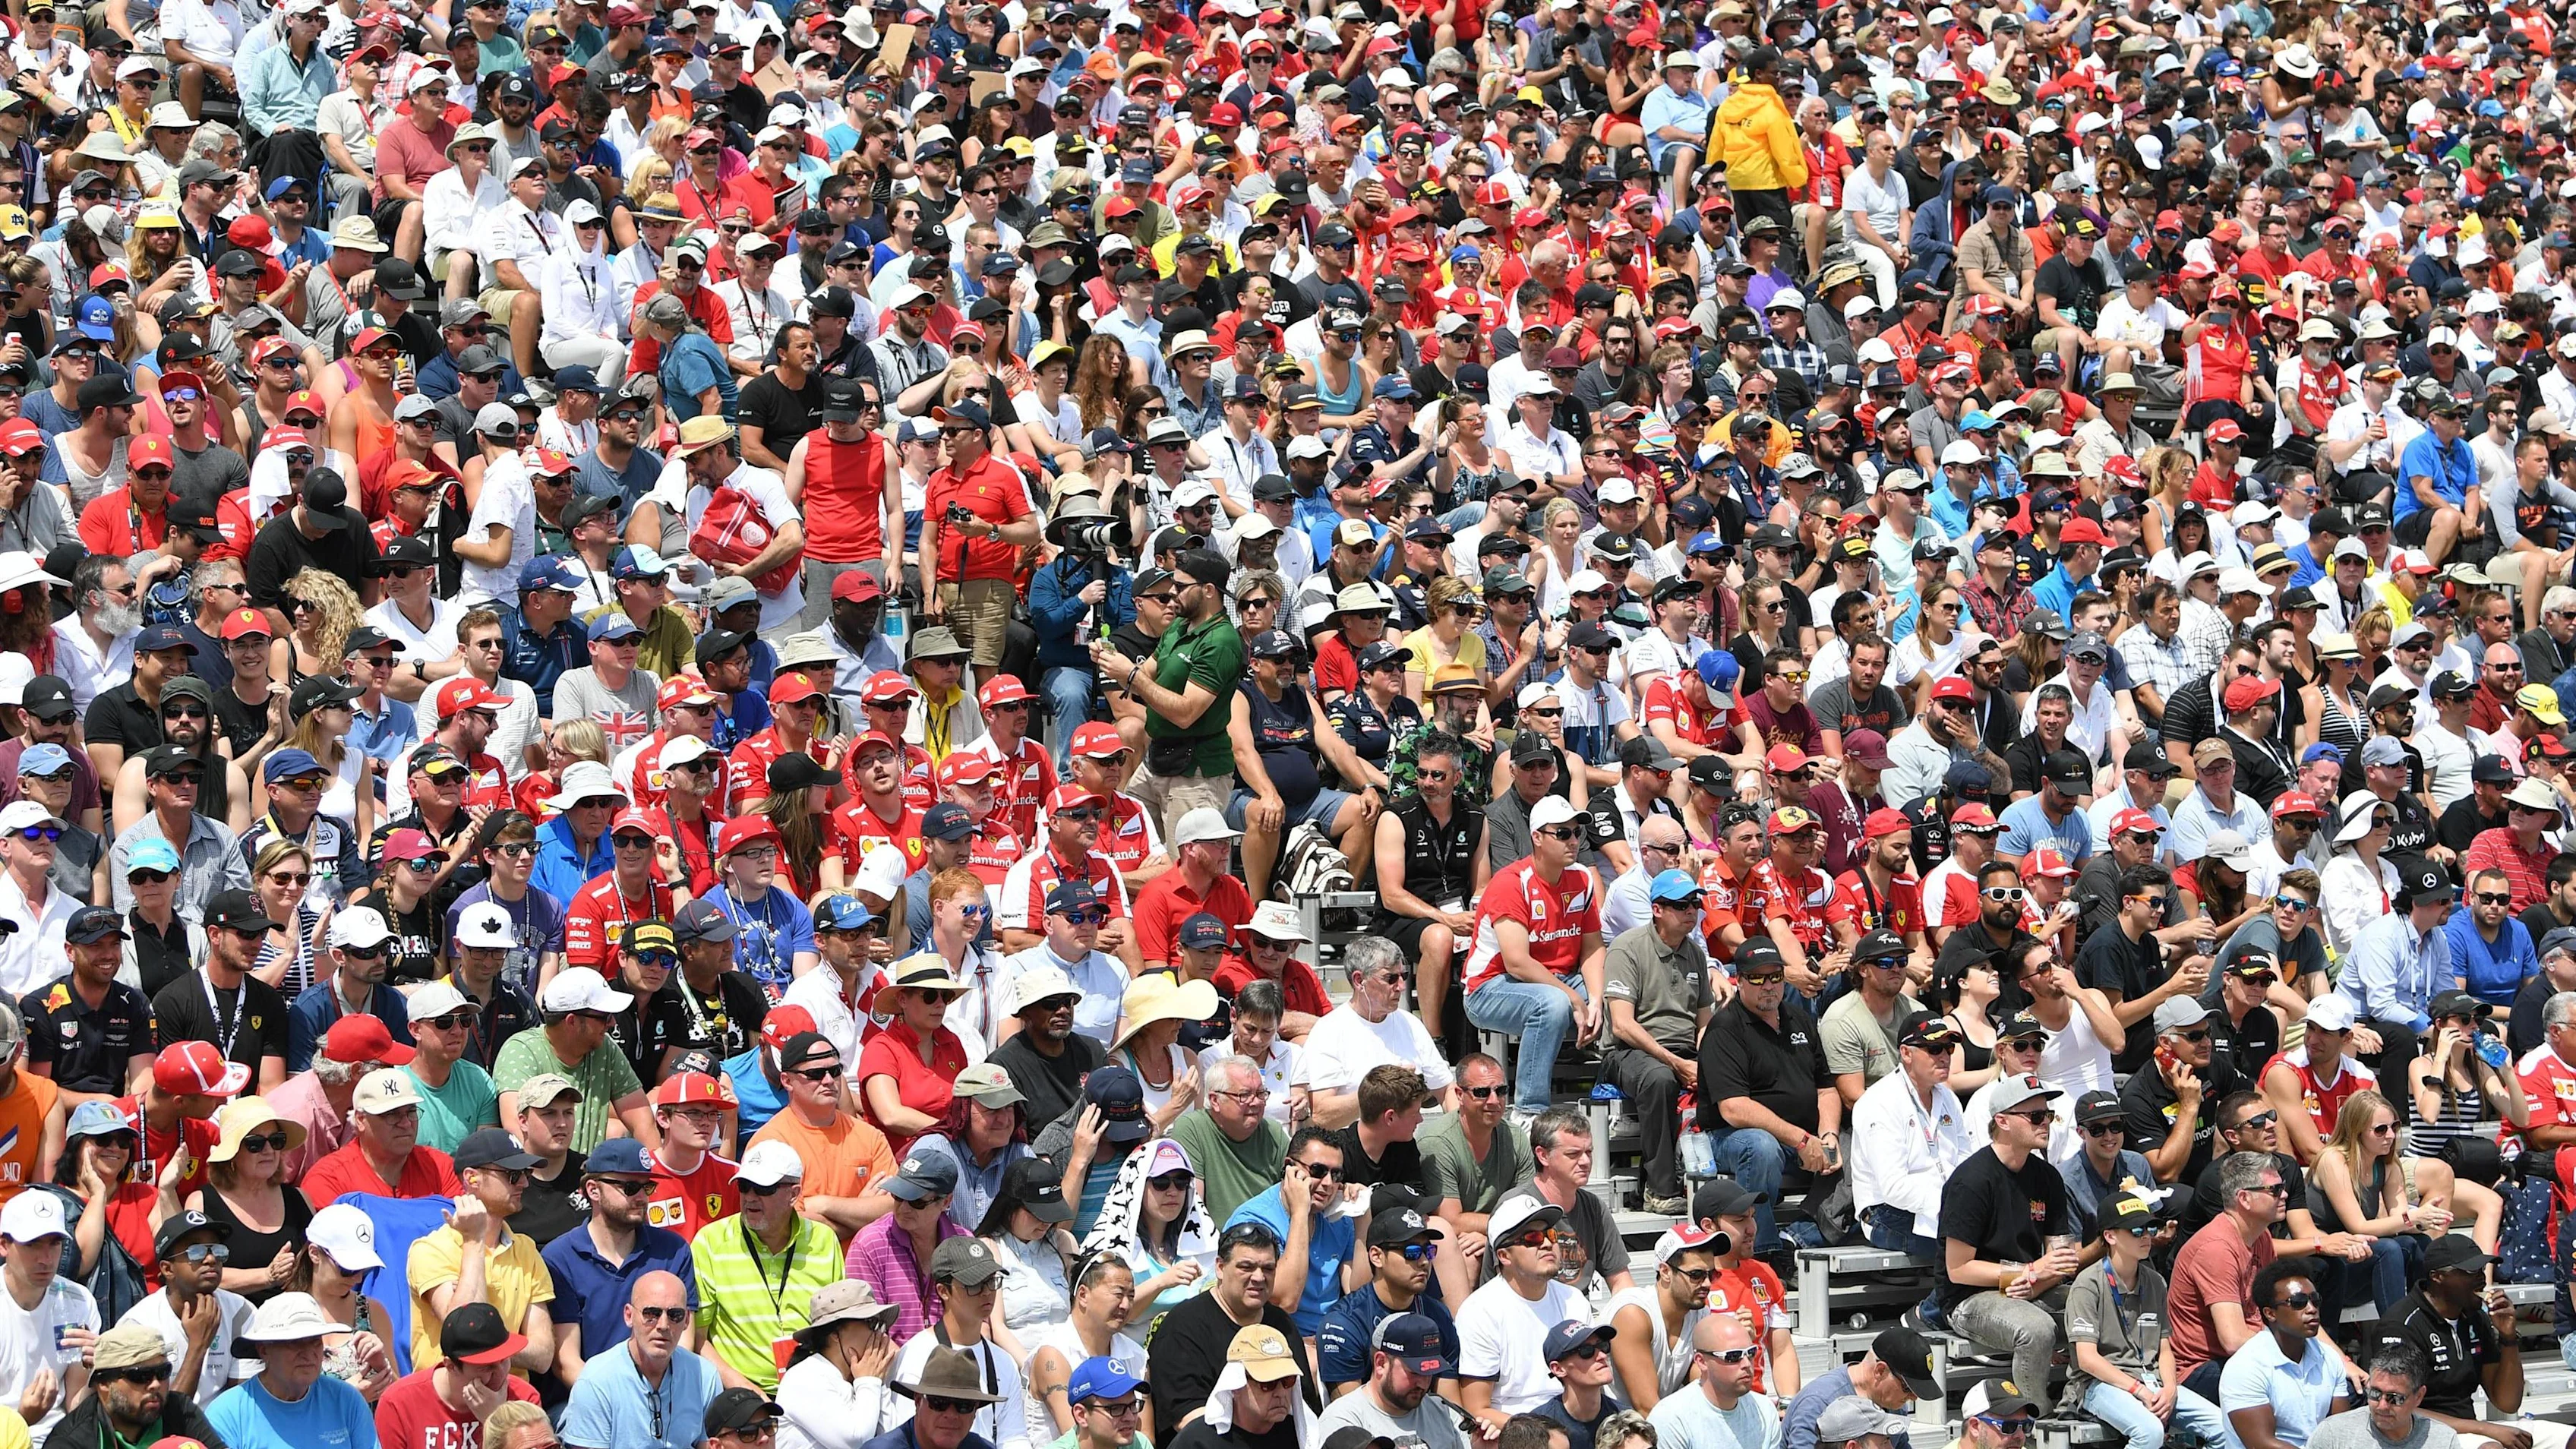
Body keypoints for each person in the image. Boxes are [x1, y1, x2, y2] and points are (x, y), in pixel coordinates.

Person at [1939, 1075, 2076, 1397]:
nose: (2046, 1124)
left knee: (2095, 1304)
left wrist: (2034, 1280)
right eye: (2036, 1117)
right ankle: (2033, 1423)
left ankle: (2084, 1400)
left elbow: (2061, 1260)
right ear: (2002, 1121)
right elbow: (1958, 1269)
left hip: (2030, 1286)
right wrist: (2027, 1273)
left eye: (2049, 1116)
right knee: (2037, 1330)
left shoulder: (2048, 1176)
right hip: (1969, 1297)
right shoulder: (1971, 1181)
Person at [2065, 1189, 2228, 1449]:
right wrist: (2137, 1390)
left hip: (2153, 1380)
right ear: (2110, 1236)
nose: (2147, 1237)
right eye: (2136, 1231)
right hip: (2099, 1385)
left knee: (2224, 1427)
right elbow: (2087, 1359)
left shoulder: (2155, 1281)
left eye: (2150, 1229)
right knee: (2149, 1432)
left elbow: (2164, 1348)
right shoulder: (2088, 1284)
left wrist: (2171, 1389)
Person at [539, 1135, 699, 1381]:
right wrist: (616, 1404)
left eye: (647, 1188)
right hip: (590, 1398)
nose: (642, 1198)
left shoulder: (673, 1250)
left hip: (665, 1392)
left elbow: (683, 1344)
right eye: (630, 1188)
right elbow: (567, 1362)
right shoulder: (560, 1258)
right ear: (593, 1190)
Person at [692, 1139, 847, 1392]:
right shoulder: (710, 1242)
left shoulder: (824, 1239)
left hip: (815, 1390)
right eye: (745, 1186)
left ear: (794, 1194)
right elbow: (698, 1342)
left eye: (764, 1189)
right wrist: (748, 1393)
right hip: (739, 1395)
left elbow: (839, 1326)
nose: (750, 1197)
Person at [1603, 870, 1716, 1214]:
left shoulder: (1694, 953)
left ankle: (1718, 1185)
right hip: (1629, 1052)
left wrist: (1707, 1060)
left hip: (1684, 1052)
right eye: (1681, 905)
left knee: (1736, 1074)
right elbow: (1622, 1025)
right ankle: (1659, 1190)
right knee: (1660, 1079)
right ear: (1657, 909)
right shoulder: (1628, 947)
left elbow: (1704, 1022)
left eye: (1695, 903)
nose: (1690, 911)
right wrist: (1676, 1063)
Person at [2363, 1236, 2543, 1449]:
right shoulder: (2401, 1325)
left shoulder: (2476, 1318)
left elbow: (2507, 1402)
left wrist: (2508, 1337)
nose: (2481, 1279)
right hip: (2421, 1434)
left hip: (2471, 1430)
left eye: (2482, 1269)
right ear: (2438, 1276)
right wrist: (2485, 1429)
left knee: (2570, 1439)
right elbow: (2395, 1406)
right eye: (2471, 1272)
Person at [1143, 1223, 1318, 1441]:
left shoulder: (1281, 1323)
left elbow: (1304, 1407)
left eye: (1268, 1268)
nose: (1259, 1277)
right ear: (1220, 1267)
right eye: (1246, 1267)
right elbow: (1188, 1420)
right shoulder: (1182, 1327)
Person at [404, 1125, 556, 1375]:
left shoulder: (526, 1250)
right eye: (513, 1174)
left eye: (526, 1172)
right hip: (445, 1405)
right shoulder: (430, 1250)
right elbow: (465, 1334)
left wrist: (489, 1340)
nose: (525, 1183)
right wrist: (474, 1241)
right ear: (472, 1178)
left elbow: (542, 1356)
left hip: (510, 1404)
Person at [1455, 1194, 1590, 1434]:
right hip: (1515, 1433)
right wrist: (1545, 1434)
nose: (1548, 1244)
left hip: (1575, 1423)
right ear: (1504, 1256)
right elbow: (1478, 1409)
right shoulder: (1479, 1311)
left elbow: (1590, 1384)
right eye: (1533, 1238)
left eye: (1550, 1235)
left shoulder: (1574, 1301)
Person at [560, 1270, 725, 1449]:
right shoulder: (596, 1380)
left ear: (686, 1321)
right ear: (629, 1316)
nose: (663, 1325)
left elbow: (708, 1444)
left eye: (675, 1315)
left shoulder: (704, 1375)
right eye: (651, 1314)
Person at [2171, 1153, 2290, 1403]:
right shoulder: (2217, 1248)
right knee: (2294, 1389)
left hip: (2246, 1355)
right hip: (2202, 1368)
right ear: (2244, 1198)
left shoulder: (2262, 1237)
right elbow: (2234, 1339)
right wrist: (2293, 1349)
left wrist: (2337, 1360)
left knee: (2338, 1383)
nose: (2285, 1195)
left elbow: (2292, 1308)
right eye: (2275, 1189)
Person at [203, 1292, 382, 1449]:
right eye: (294, 1342)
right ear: (264, 1350)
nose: (308, 1354)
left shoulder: (347, 1400)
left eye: (315, 1341)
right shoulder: (228, 1413)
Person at [118, 1208, 259, 1406]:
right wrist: (198, 1346)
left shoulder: (241, 1312)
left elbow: (242, 1405)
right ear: (168, 1269)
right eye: (196, 1252)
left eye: (217, 1250)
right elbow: (161, 1419)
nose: (211, 1259)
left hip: (224, 1431)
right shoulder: (139, 1325)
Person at [2219, 1257, 2353, 1449]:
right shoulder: (2245, 1367)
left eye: (2315, 1300)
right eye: (2298, 1302)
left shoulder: (2329, 1358)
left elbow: (2341, 1431)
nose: (2312, 1309)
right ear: (2270, 1313)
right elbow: (2262, 1444)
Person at [372, 1302, 544, 1449]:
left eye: (505, 1360)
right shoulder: (399, 1404)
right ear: (451, 1366)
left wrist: (496, 1421)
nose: (500, 1374)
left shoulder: (524, 1398)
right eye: (487, 1367)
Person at [776, 1280, 908, 1449]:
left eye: (879, 1325)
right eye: (870, 1323)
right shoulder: (804, 1377)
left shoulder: (862, 1377)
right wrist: (869, 1382)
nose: (879, 1334)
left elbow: (896, 1439)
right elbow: (855, 1440)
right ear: (835, 1334)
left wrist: (875, 1383)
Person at [1604, 1226, 1722, 1413]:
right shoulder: (1634, 1313)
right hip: (1614, 1430)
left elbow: (1704, 1390)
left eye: (1712, 1274)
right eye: (1696, 1275)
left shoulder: (1700, 1314)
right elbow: (1646, 1407)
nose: (1707, 1284)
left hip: (1654, 1424)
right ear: (1665, 1271)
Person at [52, 1322, 225, 1449]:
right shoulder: (71, 1440)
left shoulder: (181, 1410)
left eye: (163, 1372)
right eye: (140, 1376)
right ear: (104, 1383)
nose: (156, 1384)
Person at [1312, 1310, 1465, 1449]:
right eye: (1415, 1372)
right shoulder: (1343, 1421)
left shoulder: (1445, 1413)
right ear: (1381, 1363)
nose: (1423, 1384)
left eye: (1429, 1372)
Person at [1646, 1316, 1782, 1449]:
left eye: (1751, 1353)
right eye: (1733, 1356)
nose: (1746, 1364)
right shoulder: (1671, 1419)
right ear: (1702, 1361)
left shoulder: (1765, 1411)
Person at [1164, 1325, 1305, 1449]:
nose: (1281, 1392)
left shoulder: (1298, 1435)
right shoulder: (1197, 1442)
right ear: (1236, 1385)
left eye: (1287, 1380)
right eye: (1268, 1383)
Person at [2306, 1341, 2458, 1449]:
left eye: (2394, 1398)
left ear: (2418, 1396)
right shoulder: (2333, 1435)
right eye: (2375, 1394)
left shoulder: (2443, 1440)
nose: (2382, 1406)